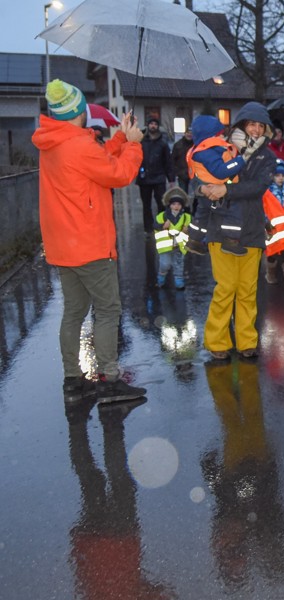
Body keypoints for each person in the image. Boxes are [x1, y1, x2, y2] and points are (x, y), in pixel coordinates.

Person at [32, 78, 147, 404]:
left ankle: (72, 381)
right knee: (109, 310)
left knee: (73, 313)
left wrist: (122, 136)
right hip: (90, 245)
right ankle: (110, 380)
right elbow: (119, 174)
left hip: (64, 246)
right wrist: (135, 145)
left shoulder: (54, 142)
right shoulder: (78, 145)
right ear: (79, 111)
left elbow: (99, 162)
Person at [201, 101, 278, 361]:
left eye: (260, 125)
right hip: (220, 228)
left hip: (252, 230)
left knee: (247, 290)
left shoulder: (267, 157)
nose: (256, 130)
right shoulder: (222, 147)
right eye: (251, 124)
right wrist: (202, 187)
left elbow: (257, 187)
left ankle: (247, 341)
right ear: (242, 125)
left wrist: (227, 189)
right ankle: (217, 342)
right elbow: (198, 172)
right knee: (226, 288)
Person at [182, 115, 248, 257]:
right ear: (212, 136)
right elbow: (221, 171)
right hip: (217, 191)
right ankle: (231, 240)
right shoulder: (208, 151)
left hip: (205, 190)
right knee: (234, 213)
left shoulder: (200, 150)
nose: (223, 137)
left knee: (202, 216)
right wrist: (240, 161)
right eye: (220, 134)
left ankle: (195, 240)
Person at [261, 162, 284, 289]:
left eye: (282, 175)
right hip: (273, 229)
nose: (280, 178)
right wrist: (266, 223)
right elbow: (263, 209)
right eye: (277, 175)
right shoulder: (266, 193)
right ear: (272, 177)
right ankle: (270, 274)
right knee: (272, 254)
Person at [136, 116, 175, 231]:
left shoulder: (162, 144)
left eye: (155, 124)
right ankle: (147, 228)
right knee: (146, 206)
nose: (153, 126)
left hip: (159, 178)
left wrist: (171, 179)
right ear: (148, 125)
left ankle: (161, 225)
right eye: (151, 124)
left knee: (161, 204)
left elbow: (168, 162)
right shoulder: (142, 141)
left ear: (158, 127)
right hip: (144, 178)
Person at [153, 187, 192, 289]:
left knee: (179, 264)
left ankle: (179, 281)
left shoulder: (187, 217)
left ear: (182, 206)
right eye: (173, 204)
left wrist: (188, 230)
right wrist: (162, 226)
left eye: (179, 204)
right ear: (169, 205)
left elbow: (193, 228)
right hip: (165, 247)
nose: (176, 206)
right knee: (165, 264)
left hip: (179, 246)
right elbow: (155, 226)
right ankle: (161, 277)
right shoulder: (162, 216)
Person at [171, 128, 193, 198]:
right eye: (188, 132)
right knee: (183, 194)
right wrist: (176, 172)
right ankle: (184, 208)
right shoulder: (178, 145)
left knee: (195, 195)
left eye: (191, 133)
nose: (189, 134)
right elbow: (173, 160)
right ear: (184, 133)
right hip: (182, 174)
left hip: (194, 174)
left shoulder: (196, 145)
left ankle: (194, 208)